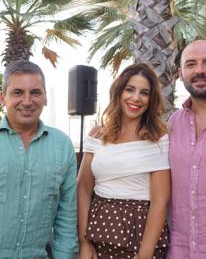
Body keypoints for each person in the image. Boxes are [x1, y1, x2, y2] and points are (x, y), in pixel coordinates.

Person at [77, 63, 171, 259]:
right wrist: (84, 241)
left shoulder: (158, 138)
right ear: (119, 92)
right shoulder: (96, 134)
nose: (136, 98)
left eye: (144, 92)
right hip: (97, 233)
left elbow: (160, 202)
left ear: (151, 99)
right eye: (130, 89)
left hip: (140, 239)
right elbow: (83, 188)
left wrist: (144, 255)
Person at [0, 60, 78, 258]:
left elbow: (66, 216)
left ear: (45, 98)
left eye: (35, 92)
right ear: (3, 98)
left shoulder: (62, 145)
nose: (27, 101)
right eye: (17, 92)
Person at [168, 39, 206, 259]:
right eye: (191, 64)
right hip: (178, 251)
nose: (199, 71)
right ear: (180, 73)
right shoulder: (172, 124)